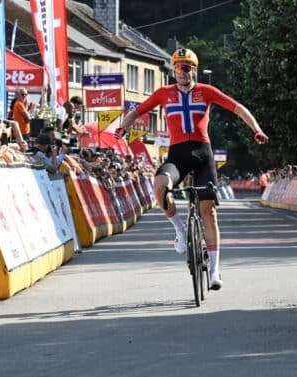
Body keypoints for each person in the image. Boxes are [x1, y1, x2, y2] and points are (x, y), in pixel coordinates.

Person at [115, 48, 269, 290]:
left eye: (186, 68)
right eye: (177, 68)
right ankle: (180, 229)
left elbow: (237, 108)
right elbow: (137, 111)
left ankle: (216, 270)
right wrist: (123, 127)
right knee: (159, 187)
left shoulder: (206, 92)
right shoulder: (163, 94)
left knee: (208, 210)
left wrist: (256, 129)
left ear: (194, 70)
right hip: (177, 155)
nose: (182, 72)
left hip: (202, 153)